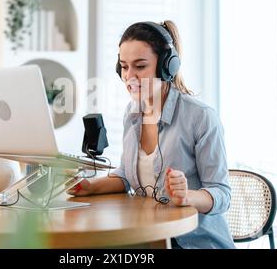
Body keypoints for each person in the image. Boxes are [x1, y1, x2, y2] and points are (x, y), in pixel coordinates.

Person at [67, 20, 235, 249]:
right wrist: (89, 186)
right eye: (124, 67)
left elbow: (222, 193)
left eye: (140, 66)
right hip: (147, 236)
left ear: (167, 66)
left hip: (192, 241)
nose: (129, 77)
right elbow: (127, 176)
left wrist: (187, 196)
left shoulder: (200, 116)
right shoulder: (133, 113)